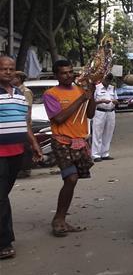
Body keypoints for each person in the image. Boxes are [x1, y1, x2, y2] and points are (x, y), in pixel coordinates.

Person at [44, 59, 96, 237]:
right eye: (64, 72)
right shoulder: (50, 94)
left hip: (80, 141)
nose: (68, 75)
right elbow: (58, 119)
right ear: (56, 75)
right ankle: (58, 220)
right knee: (71, 178)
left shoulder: (80, 90)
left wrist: (92, 96)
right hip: (62, 142)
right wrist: (82, 98)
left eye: (70, 71)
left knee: (72, 180)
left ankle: (61, 219)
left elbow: (90, 114)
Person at [0, 56, 42, 259]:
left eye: (11, 69)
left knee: (3, 194)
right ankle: (4, 243)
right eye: (3, 69)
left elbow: (24, 124)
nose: (8, 72)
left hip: (16, 152)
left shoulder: (19, 95)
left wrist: (34, 144)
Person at [11, 71, 35, 177]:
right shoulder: (14, 91)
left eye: (14, 77)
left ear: (19, 79)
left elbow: (27, 109)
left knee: (25, 147)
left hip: (24, 124)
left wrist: (27, 124)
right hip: (15, 124)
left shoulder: (25, 91)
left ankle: (26, 169)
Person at [91, 73, 118, 161]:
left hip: (111, 112)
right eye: (106, 79)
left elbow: (117, 100)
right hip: (100, 112)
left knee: (108, 133)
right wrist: (101, 101)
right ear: (103, 79)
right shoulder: (96, 88)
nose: (107, 82)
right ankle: (96, 155)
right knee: (97, 133)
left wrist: (115, 102)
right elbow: (92, 102)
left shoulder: (112, 88)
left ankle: (105, 153)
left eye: (109, 80)